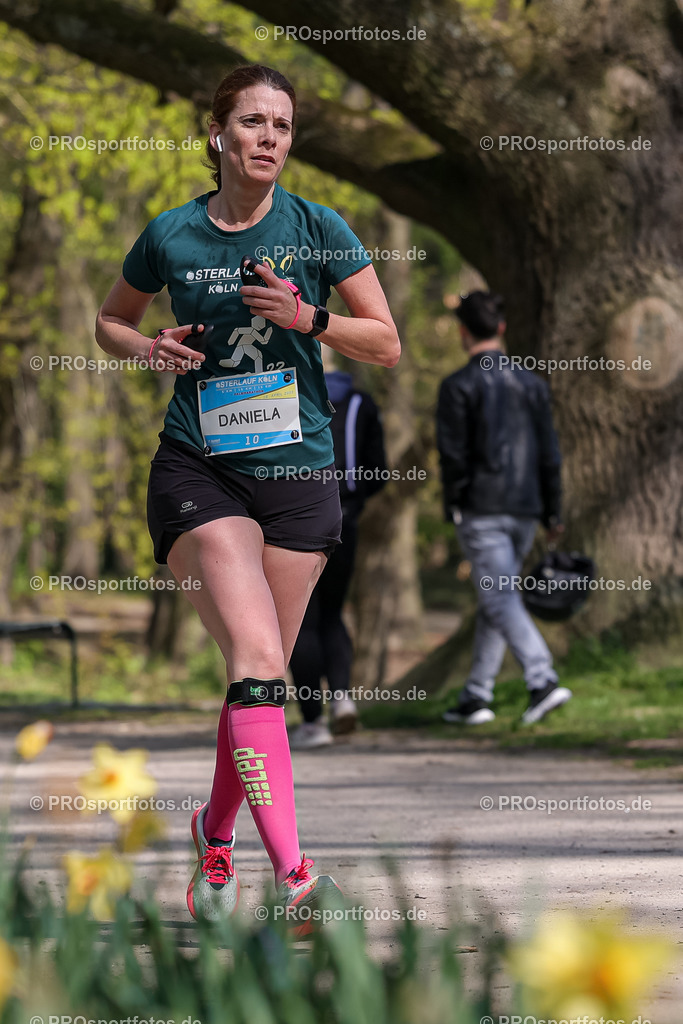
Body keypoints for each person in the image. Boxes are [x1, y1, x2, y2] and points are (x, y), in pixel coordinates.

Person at [95, 64, 400, 929]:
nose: (269, 137)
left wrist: (310, 320)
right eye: (253, 121)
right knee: (260, 662)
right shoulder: (172, 233)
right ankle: (297, 880)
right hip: (201, 469)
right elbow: (109, 322)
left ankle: (214, 833)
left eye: (283, 125)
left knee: (256, 681)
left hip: (299, 477)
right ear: (218, 133)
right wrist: (147, 348)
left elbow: (385, 342)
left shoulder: (318, 227)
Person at [436, 291, 571, 726]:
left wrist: (455, 502)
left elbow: (453, 457)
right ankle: (476, 694)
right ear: (501, 328)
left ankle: (542, 680)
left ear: (463, 332)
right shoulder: (532, 385)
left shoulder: (457, 386)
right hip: (527, 509)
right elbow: (550, 454)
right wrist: (553, 512)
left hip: (482, 509)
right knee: (497, 597)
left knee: (499, 597)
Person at [288, 370, 387, 749]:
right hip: (344, 520)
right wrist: (355, 504)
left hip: (292, 521)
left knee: (301, 621)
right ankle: (342, 698)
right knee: (333, 612)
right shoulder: (362, 403)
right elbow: (378, 471)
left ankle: (313, 722)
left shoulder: (284, 396)